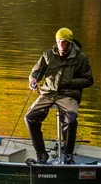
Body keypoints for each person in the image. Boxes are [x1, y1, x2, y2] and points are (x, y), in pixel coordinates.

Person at [24, 28, 94, 164]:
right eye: (60, 42)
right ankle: (41, 154)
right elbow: (36, 71)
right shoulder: (47, 54)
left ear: (70, 43)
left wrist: (71, 82)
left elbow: (88, 80)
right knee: (30, 118)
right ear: (56, 41)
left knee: (71, 120)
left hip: (68, 94)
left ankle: (68, 154)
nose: (62, 45)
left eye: (65, 43)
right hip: (48, 93)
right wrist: (33, 79)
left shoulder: (81, 58)